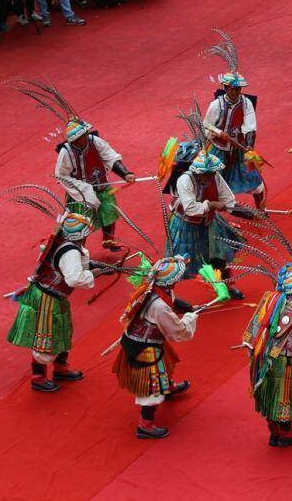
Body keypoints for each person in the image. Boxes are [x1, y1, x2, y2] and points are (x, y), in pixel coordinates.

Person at [239, 232, 292, 448]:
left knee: (267, 390)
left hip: (260, 355)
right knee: (284, 394)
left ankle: (274, 430)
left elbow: (252, 333)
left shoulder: (269, 298)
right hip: (281, 358)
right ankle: (286, 433)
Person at [7, 211, 98, 392]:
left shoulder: (62, 241)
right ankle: (38, 378)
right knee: (48, 339)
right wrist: (92, 273)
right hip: (49, 298)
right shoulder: (70, 251)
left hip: (51, 295)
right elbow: (74, 279)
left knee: (62, 331)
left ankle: (60, 369)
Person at [112, 255, 197, 439]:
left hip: (141, 341)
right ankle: (146, 425)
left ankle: (166, 387)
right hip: (144, 347)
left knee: (164, 362)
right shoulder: (158, 306)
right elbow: (177, 331)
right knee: (150, 386)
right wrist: (191, 318)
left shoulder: (154, 288)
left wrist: (187, 307)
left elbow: (171, 301)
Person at [202, 30, 266, 208]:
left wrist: (249, 149)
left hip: (239, 150)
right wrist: (218, 133)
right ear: (225, 87)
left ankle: (261, 207)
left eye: (238, 89)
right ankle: (212, 209)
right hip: (218, 149)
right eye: (232, 89)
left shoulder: (246, 104)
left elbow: (250, 127)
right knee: (210, 180)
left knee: (255, 181)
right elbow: (205, 125)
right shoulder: (216, 105)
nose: (236, 92)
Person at [168, 149, 244, 296]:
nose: (212, 176)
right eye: (208, 174)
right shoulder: (184, 180)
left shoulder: (215, 176)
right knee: (179, 263)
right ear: (198, 172)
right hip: (186, 224)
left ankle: (227, 286)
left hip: (209, 221)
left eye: (213, 173)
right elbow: (190, 208)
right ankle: (167, 295)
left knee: (219, 256)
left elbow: (228, 200)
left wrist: (249, 214)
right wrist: (212, 205)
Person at [55, 118, 136, 250]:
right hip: (80, 194)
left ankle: (109, 240)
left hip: (101, 185)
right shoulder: (66, 152)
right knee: (80, 223)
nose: (85, 137)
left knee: (109, 213)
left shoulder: (95, 141)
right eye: (81, 136)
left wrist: (125, 173)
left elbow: (110, 157)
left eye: (86, 133)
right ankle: (78, 249)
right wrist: (84, 189)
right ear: (74, 140)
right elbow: (61, 175)